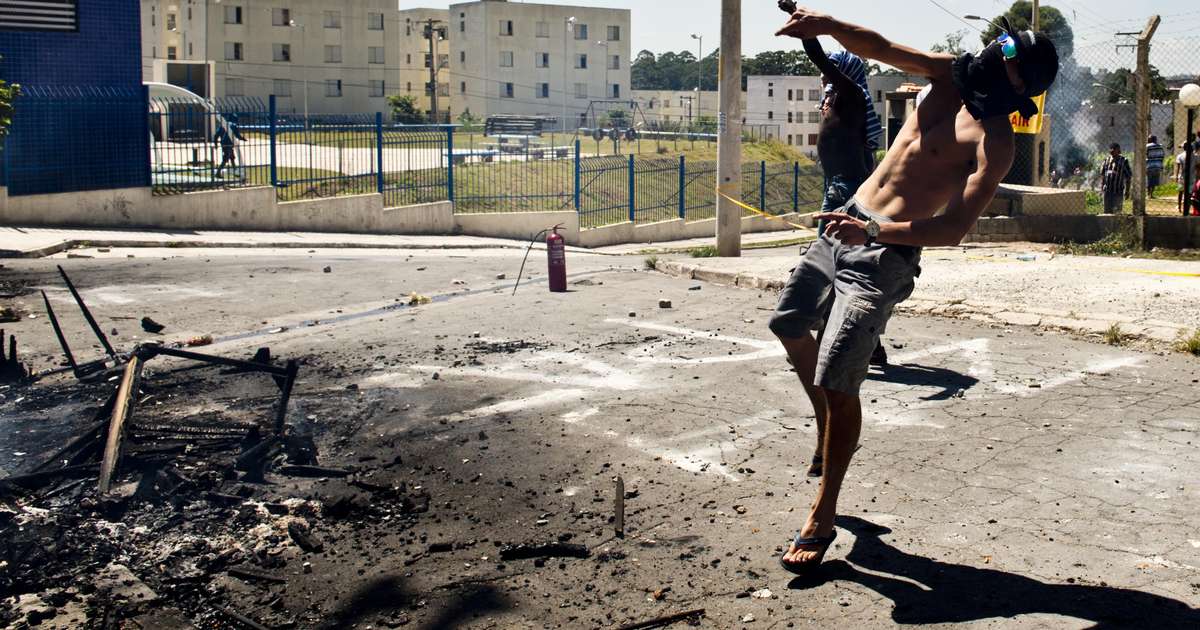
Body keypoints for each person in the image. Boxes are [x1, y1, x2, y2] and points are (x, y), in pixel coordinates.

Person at [770, 6, 1058, 574]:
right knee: (787, 325)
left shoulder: (995, 141)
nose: (989, 56)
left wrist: (874, 231)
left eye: (1004, 58)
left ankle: (823, 513)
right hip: (846, 218)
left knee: (838, 377)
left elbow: (952, 230)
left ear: (1019, 82)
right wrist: (824, 23)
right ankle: (830, 432)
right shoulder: (948, 72)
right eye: (995, 46)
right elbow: (880, 44)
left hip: (885, 254)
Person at [1100, 143, 1131, 213]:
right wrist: (1102, 188)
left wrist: (1127, 191)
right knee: (1107, 212)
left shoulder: (1124, 161)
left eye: (1115, 149)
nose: (1112, 150)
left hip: (1118, 191)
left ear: (1119, 150)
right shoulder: (1106, 160)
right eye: (1111, 149)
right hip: (1107, 191)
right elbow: (1102, 175)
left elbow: (1128, 177)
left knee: (1117, 212)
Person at [214, 114, 246, 179]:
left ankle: (236, 171)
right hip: (229, 144)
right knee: (226, 158)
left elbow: (216, 135)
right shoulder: (234, 125)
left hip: (223, 144)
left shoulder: (223, 125)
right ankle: (218, 172)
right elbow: (237, 135)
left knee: (232, 157)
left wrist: (216, 144)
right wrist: (243, 138)